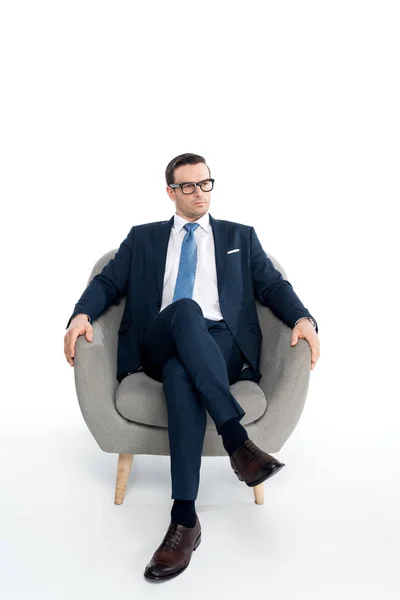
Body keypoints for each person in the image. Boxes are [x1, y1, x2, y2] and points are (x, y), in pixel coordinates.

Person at [64, 152, 320, 582]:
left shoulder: (241, 236)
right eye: (188, 186)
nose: (199, 193)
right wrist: (79, 315)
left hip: (220, 345)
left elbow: (274, 285)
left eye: (206, 184)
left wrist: (303, 319)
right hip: (160, 340)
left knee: (184, 376)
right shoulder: (142, 239)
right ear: (171, 192)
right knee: (183, 309)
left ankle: (184, 520)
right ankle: (238, 441)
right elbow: (107, 283)